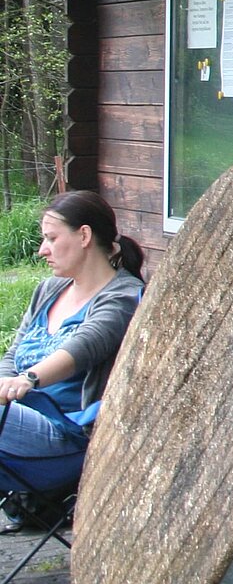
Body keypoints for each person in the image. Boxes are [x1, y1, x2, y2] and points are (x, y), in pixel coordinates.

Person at [0, 190, 145, 502]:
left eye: (51, 238)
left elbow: (83, 347)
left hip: (66, 433)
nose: (42, 250)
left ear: (84, 236)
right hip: (14, 419)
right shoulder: (49, 290)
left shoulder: (123, 295)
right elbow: (13, 354)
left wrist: (28, 379)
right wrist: (4, 382)